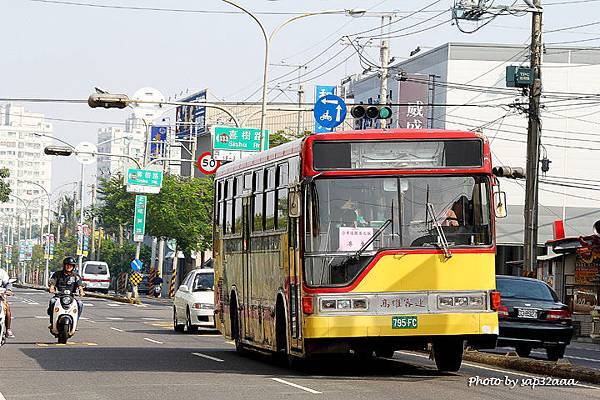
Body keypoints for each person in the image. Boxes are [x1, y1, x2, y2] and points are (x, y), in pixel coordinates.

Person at [48, 257, 85, 327]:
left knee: (80, 304)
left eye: (71, 265)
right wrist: (51, 288)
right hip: (59, 297)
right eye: (67, 265)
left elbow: (80, 285)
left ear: (73, 267)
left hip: (71, 297)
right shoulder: (57, 274)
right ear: (64, 265)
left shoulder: (76, 276)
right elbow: (52, 283)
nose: (69, 267)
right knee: (52, 301)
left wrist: (81, 292)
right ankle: (52, 322)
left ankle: (75, 322)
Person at [0, 267, 14, 338]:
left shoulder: (2, 272)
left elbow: (8, 283)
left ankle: (8, 329)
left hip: (0, 297)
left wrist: (9, 290)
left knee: (7, 308)